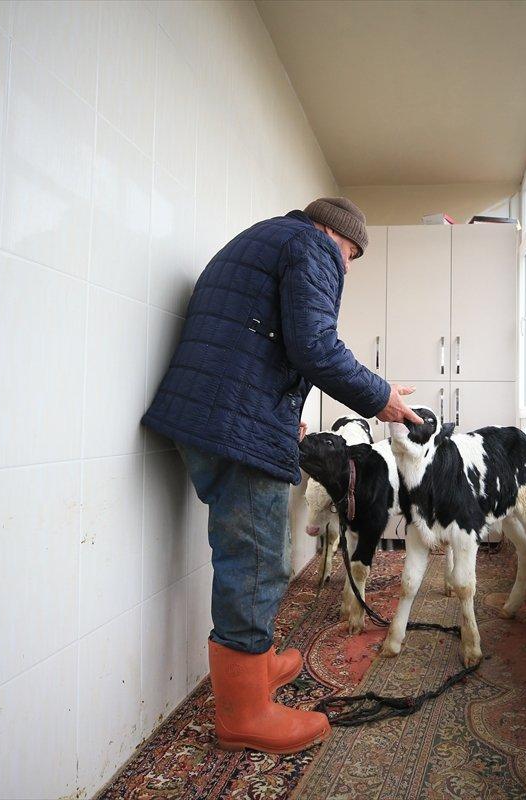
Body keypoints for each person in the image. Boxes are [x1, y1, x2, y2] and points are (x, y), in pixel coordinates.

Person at [141, 197, 423, 754]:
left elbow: (252, 343)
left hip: (210, 413)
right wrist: (380, 397)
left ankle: (258, 664)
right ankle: (244, 714)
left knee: (249, 553)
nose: (346, 266)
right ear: (332, 233)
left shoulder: (265, 239)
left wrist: (282, 415)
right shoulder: (312, 248)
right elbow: (314, 346)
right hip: (232, 429)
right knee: (257, 561)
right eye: (350, 253)